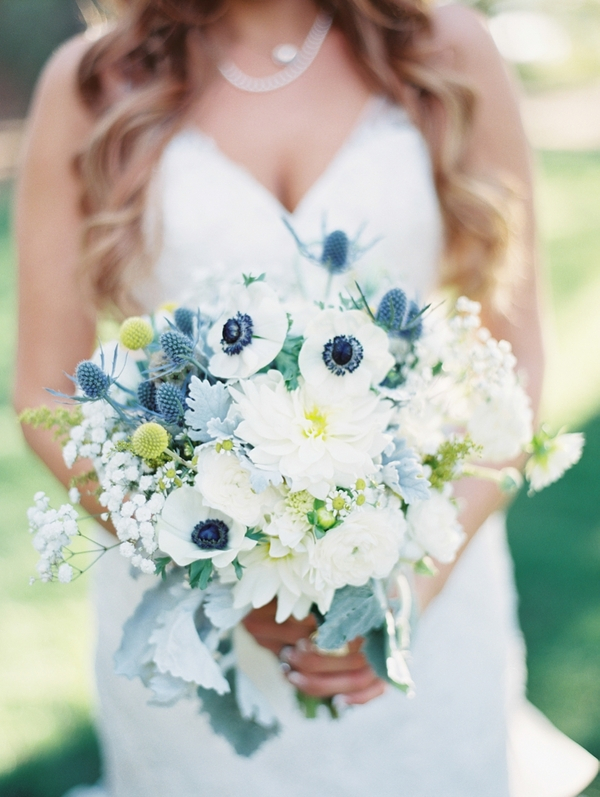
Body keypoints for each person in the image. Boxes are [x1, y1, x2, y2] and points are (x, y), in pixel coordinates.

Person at [14, 0, 599, 795]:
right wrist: (210, 560)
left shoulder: (448, 47)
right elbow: (45, 388)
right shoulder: (91, 83)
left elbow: (517, 358)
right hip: (196, 622)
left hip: (424, 598)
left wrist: (407, 586)